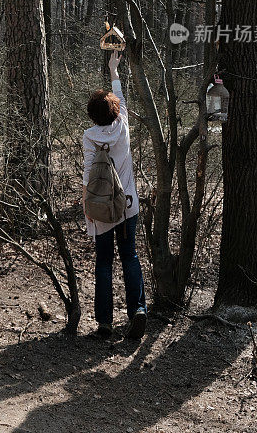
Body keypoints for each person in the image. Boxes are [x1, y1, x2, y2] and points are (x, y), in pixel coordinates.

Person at [82, 51, 147, 339]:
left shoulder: (89, 136)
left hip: (101, 211)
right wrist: (114, 69)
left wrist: (87, 205)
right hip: (128, 206)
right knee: (130, 256)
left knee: (104, 262)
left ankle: (105, 323)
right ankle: (138, 311)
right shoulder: (122, 127)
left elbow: (87, 172)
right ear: (116, 110)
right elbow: (121, 97)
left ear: (92, 115)